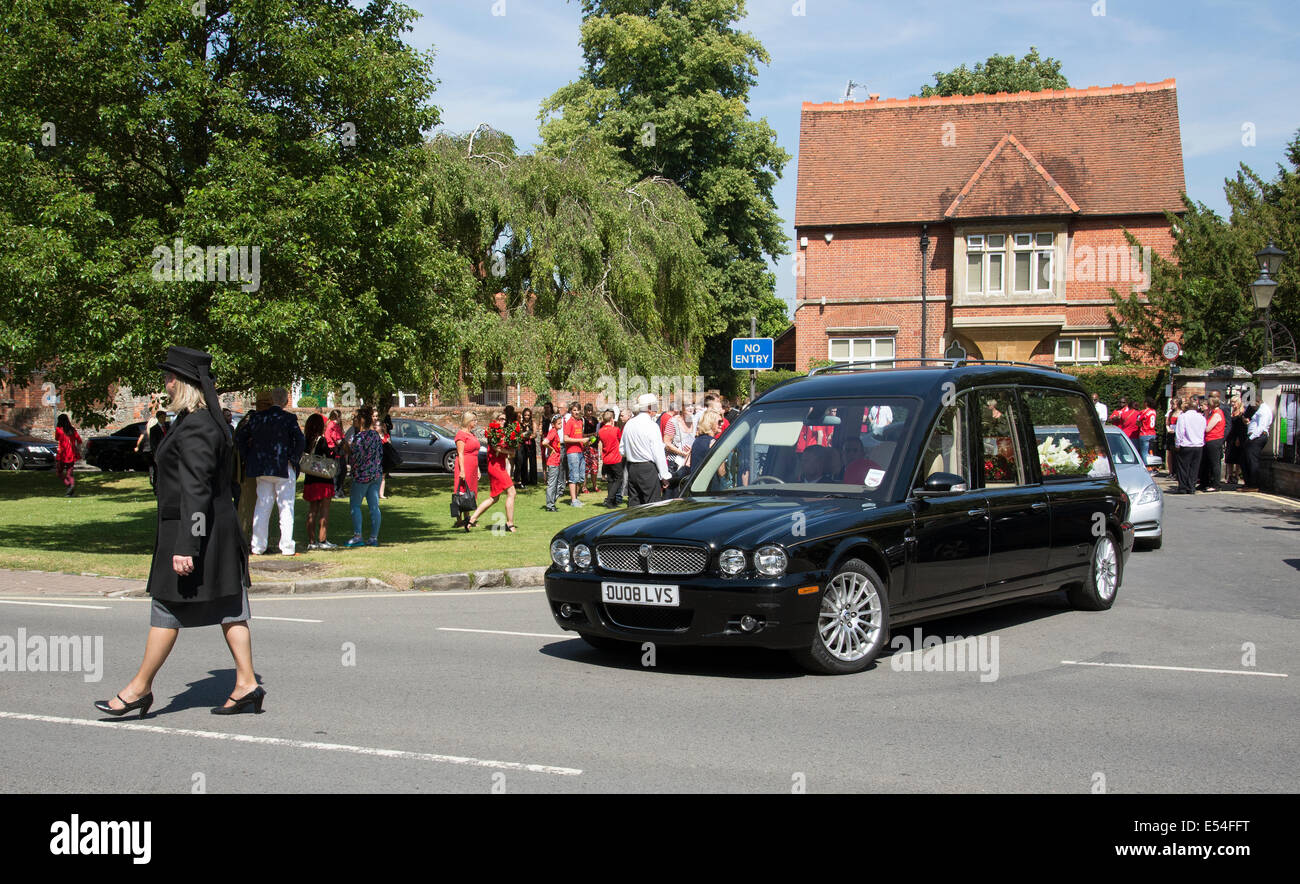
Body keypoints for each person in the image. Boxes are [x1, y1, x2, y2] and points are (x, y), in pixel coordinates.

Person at [95, 346, 263, 718]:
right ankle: (247, 683)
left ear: (185, 382)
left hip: (196, 531)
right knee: (231, 608)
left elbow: (196, 488)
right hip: (215, 532)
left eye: (170, 377)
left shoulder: (199, 425)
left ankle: (138, 689)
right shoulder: (198, 421)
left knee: (167, 608)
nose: (166, 383)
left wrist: (187, 544)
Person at [235, 387, 305, 556]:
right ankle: (287, 546)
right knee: (286, 507)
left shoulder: (257, 418)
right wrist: (293, 458)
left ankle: (258, 546)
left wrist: (249, 456)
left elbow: (239, 438)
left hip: (262, 466)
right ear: (285, 401)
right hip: (283, 466)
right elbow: (300, 440)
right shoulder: (288, 418)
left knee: (262, 506)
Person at [466, 413, 518, 531]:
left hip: (500, 466)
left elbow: (504, 448)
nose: (503, 421)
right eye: (501, 419)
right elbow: (496, 448)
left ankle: (471, 519)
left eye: (505, 419)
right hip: (495, 468)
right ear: (495, 420)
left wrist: (512, 449)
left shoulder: (503, 433)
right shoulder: (492, 432)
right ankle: (510, 523)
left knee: (494, 498)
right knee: (512, 492)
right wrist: (509, 452)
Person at [622, 393, 671, 505]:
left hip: (632, 468)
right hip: (647, 469)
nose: (657, 408)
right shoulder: (652, 426)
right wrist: (664, 475)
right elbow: (658, 453)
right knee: (652, 505)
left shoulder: (629, 424)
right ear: (649, 408)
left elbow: (622, 450)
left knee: (634, 504)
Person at [345, 406, 383, 546]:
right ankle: (374, 537)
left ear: (361, 420)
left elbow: (355, 457)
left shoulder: (359, 438)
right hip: (376, 474)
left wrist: (346, 448)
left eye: (355, 418)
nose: (353, 421)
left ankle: (358, 536)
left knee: (355, 505)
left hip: (361, 476)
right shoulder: (375, 435)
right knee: (374, 506)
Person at [301, 413, 337, 550]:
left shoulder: (306, 440)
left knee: (312, 511)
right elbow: (328, 456)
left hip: (310, 479)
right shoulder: (321, 440)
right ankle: (322, 540)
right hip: (323, 478)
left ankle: (311, 541)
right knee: (324, 510)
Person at [1172, 397, 1206, 494]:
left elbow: (1180, 431)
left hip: (1186, 445)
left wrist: (1177, 444)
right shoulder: (1202, 417)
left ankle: (1183, 487)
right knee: (1194, 468)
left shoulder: (1183, 417)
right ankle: (1191, 487)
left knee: (1183, 467)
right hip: (1198, 445)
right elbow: (1203, 430)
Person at [452, 411, 480, 527]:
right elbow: (461, 454)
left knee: (470, 492)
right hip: (464, 465)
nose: (476, 422)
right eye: (474, 420)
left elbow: (475, 452)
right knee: (461, 491)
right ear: (468, 421)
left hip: (473, 466)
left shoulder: (471, 434)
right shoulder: (461, 435)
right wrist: (462, 470)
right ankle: (459, 520)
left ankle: (467, 518)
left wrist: (477, 469)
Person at [1241, 396, 1273, 492]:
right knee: (1244, 460)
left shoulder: (1263, 411)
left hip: (1257, 437)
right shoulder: (1260, 409)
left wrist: (1250, 438)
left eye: (1252, 404)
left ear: (1258, 402)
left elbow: (1260, 427)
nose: (1251, 407)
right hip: (1254, 436)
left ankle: (1254, 485)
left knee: (1252, 461)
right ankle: (1248, 483)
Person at [1198, 392, 1225, 492]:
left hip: (1214, 440)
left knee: (1214, 463)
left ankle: (1216, 484)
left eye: (1208, 405)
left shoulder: (1217, 414)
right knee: (1206, 463)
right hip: (1209, 440)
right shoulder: (1212, 413)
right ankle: (1204, 482)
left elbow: (1207, 428)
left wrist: (1205, 416)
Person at [597, 409, 624, 507]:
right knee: (619, 479)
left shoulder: (600, 431)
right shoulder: (616, 429)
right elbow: (621, 440)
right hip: (616, 458)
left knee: (611, 480)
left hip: (606, 458)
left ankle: (611, 502)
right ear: (612, 419)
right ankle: (610, 499)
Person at [562, 402, 587, 507]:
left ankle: (576, 499)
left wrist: (586, 441)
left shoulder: (580, 422)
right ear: (571, 411)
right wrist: (581, 439)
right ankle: (573, 501)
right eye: (574, 410)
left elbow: (578, 436)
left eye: (578, 410)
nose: (576, 412)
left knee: (581, 477)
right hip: (572, 452)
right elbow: (565, 438)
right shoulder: (570, 422)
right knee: (573, 477)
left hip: (580, 451)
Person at [54, 414, 82, 497]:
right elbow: (79, 441)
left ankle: (69, 485)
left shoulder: (59, 430)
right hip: (72, 454)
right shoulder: (72, 430)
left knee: (59, 472)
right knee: (70, 474)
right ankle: (71, 487)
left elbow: (57, 438)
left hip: (63, 454)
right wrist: (78, 450)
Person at [542, 414, 564, 512]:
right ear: (553, 424)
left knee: (559, 484)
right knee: (552, 484)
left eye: (561, 423)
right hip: (553, 461)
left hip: (557, 461)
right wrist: (551, 449)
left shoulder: (556, 432)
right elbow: (544, 442)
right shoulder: (553, 432)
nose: (561, 425)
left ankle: (552, 503)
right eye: (558, 423)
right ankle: (550, 505)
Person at [1225, 396, 1247, 485]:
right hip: (1230, 437)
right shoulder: (1232, 412)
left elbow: (1242, 427)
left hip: (1238, 437)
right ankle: (1230, 475)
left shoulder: (1242, 412)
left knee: (1237, 458)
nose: (1232, 404)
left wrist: (1238, 438)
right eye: (1232, 402)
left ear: (1239, 402)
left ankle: (1236, 476)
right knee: (1229, 457)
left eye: (1234, 402)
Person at [325, 409, 347, 495]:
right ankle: (335, 490)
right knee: (338, 471)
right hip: (335, 451)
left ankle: (339, 490)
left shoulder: (334, 425)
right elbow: (335, 439)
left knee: (342, 471)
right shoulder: (332, 425)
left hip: (338, 451)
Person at [516, 407, 537, 488]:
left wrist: (530, 436)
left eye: (528, 415)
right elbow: (519, 433)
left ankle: (533, 480)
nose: (527, 417)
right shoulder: (520, 423)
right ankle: (524, 480)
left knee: (533, 462)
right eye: (525, 415)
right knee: (523, 462)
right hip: (523, 444)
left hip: (531, 444)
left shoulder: (533, 423)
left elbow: (535, 434)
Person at [1136, 397, 1159, 474]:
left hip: (1144, 433)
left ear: (1146, 403)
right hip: (1152, 433)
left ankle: (1147, 468)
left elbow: (1138, 422)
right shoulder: (1154, 411)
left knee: (1144, 452)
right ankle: (1153, 467)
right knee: (1151, 451)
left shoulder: (1144, 412)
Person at [1165, 397, 1183, 480]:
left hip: (1177, 434)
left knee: (1177, 454)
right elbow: (1167, 423)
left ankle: (1177, 472)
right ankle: (1171, 472)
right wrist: (1168, 429)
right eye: (1171, 404)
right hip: (1170, 434)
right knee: (1170, 453)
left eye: (1174, 404)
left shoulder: (1182, 413)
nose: (1172, 405)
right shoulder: (1170, 413)